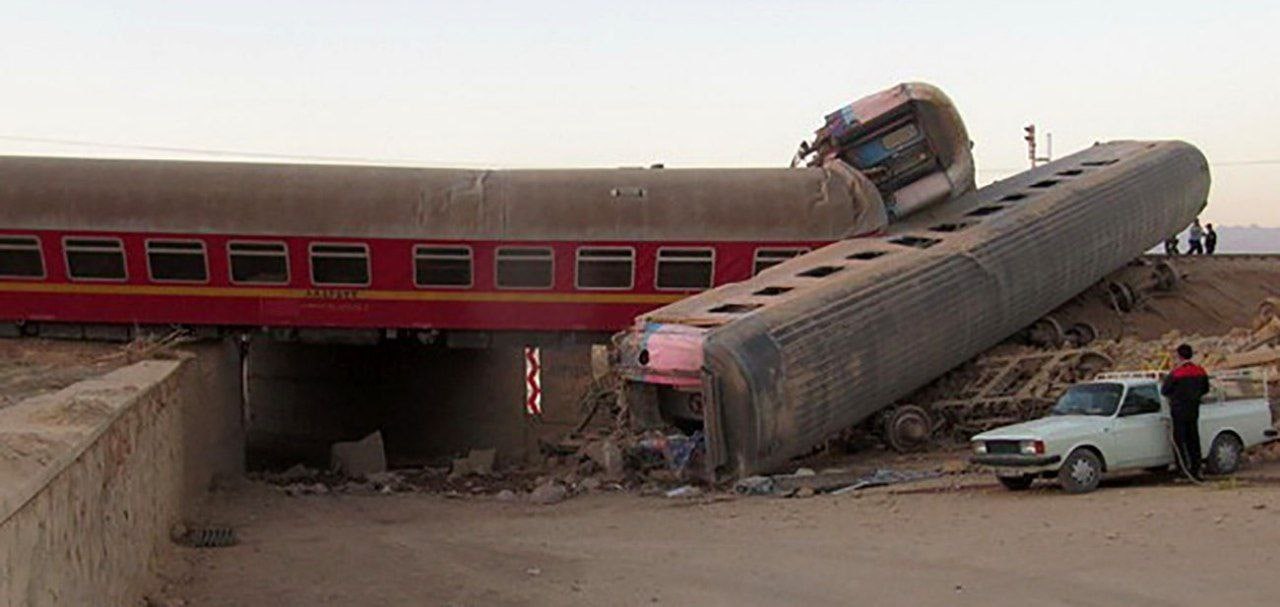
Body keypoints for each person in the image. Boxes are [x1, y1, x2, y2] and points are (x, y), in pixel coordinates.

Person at [1160, 344, 1211, 479]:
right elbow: (1206, 389)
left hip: (1178, 410)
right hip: (1194, 409)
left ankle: (1183, 470)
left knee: (1179, 440)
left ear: (1179, 356)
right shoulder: (1200, 371)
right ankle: (1196, 469)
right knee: (1193, 439)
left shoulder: (1176, 373)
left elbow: (1164, 390)